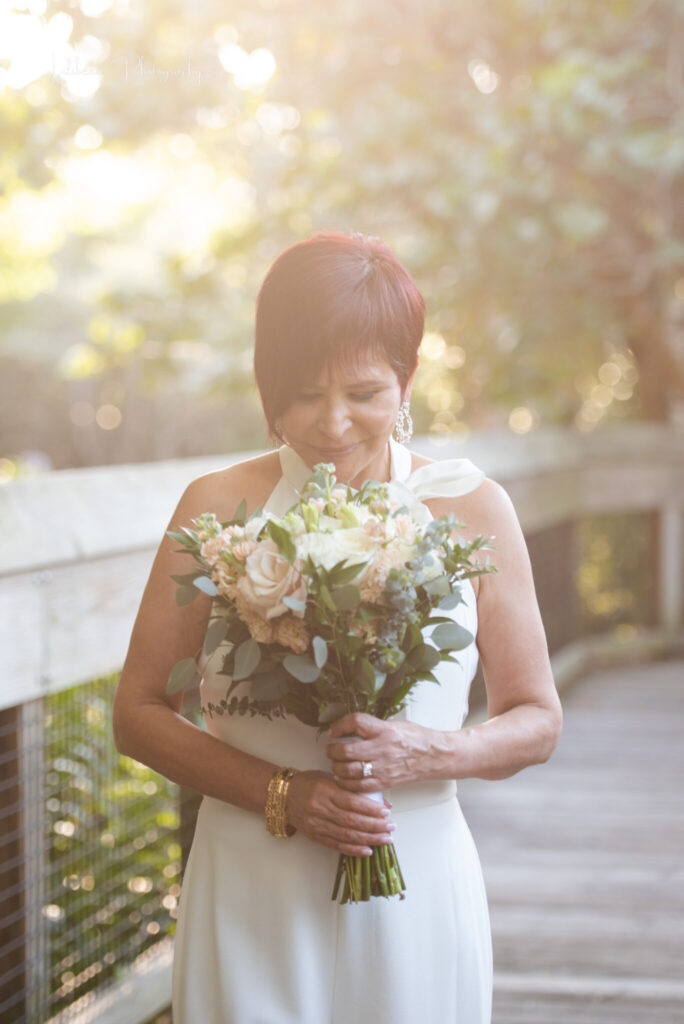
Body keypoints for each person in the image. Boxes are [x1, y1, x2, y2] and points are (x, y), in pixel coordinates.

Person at [112, 230, 563, 1024]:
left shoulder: (471, 506)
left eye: (363, 392)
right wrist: (285, 793)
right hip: (254, 873)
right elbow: (139, 712)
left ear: (407, 379)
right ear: (266, 385)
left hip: (414, 873)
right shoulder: (215, 508)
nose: (332, 423)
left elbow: (536, 721)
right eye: (302, 394)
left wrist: (437, 749)